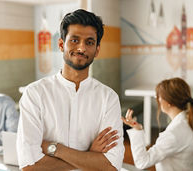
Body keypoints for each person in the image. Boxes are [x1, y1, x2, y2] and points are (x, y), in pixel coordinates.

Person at [17, 9, 124, 171]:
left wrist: (55, 149)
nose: (81, 48)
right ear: (61, 44)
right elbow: (29, 166)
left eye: (89, 42)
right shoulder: (35, 94)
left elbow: (111, 165)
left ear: (97, 50)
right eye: (74, 40)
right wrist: (89, 156)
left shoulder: (108, 98)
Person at [122, 77, 193, 171]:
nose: (158, 99)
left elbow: (141, 162)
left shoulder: (173, 134)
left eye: (159, 97)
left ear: (169, 102)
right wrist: (138, 127)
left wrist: (137, 130)